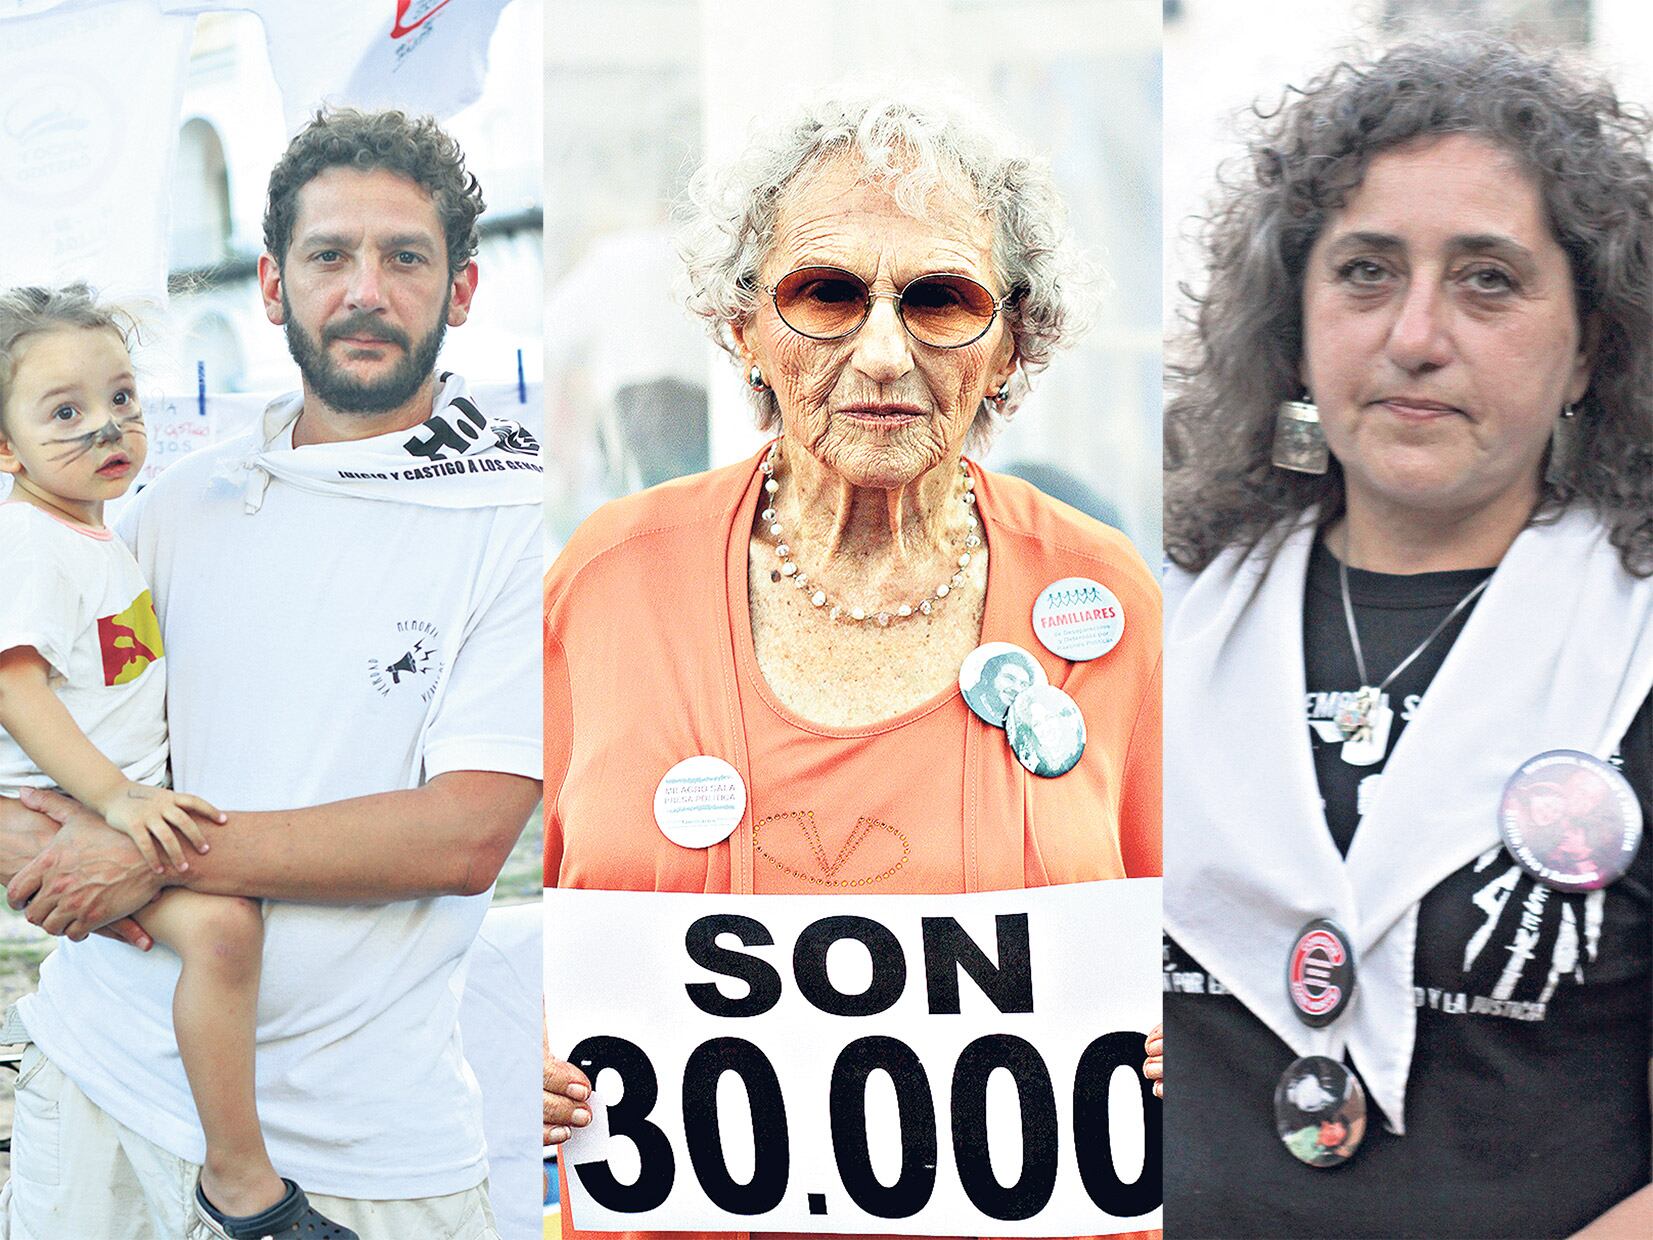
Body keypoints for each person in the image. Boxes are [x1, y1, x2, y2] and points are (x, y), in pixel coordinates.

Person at [543, 92, 1162, 1240]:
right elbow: (494, 922)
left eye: (940, 300)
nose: (882, 352)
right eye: (825, 294)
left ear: (1013, 340)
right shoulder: (606, 580)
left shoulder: (1106, 596)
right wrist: (518, 1049)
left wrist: (1196, 1032)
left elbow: (1205, 944)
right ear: (743, 325)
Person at [0, 109, 541, 1240]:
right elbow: (44, 694)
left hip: (364, 1157)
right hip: (99, 1090)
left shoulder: (514, 523)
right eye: (328, 256)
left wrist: (137, 851)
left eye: (405, 258)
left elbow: (462, 838)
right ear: (271, 283)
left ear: (462, 289)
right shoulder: (167, 501)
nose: (364, 291)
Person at [1163, 37, 1653, 1238]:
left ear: (1591, 345)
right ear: (1294, 324)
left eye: (1488, 279)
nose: (1417, 335)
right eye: (1366, 272)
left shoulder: (1635, 653)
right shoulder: (1152, 622)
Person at [0, 285, 357, 1237]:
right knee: (225, 931)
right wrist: (117, 800)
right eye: (64, 413)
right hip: (62, 806)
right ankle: (239, 1178)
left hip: (94, 804)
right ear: (5, 448)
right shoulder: (28, 543)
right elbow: (14, 688)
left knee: (224, 928)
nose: (106, 427)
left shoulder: (96, 533)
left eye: (121, 398)